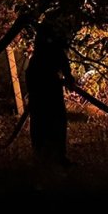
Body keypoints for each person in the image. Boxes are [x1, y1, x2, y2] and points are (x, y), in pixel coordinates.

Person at [25, 19, 75, 167]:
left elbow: (61, 59)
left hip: (41, 82)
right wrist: (68, 76)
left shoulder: (46, 44)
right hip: (46, 83)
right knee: (52, 119)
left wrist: (68, 76)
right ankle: (50, 155)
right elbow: (61, 58)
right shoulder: (53, 44)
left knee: (44, 119)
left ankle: (49, 155)